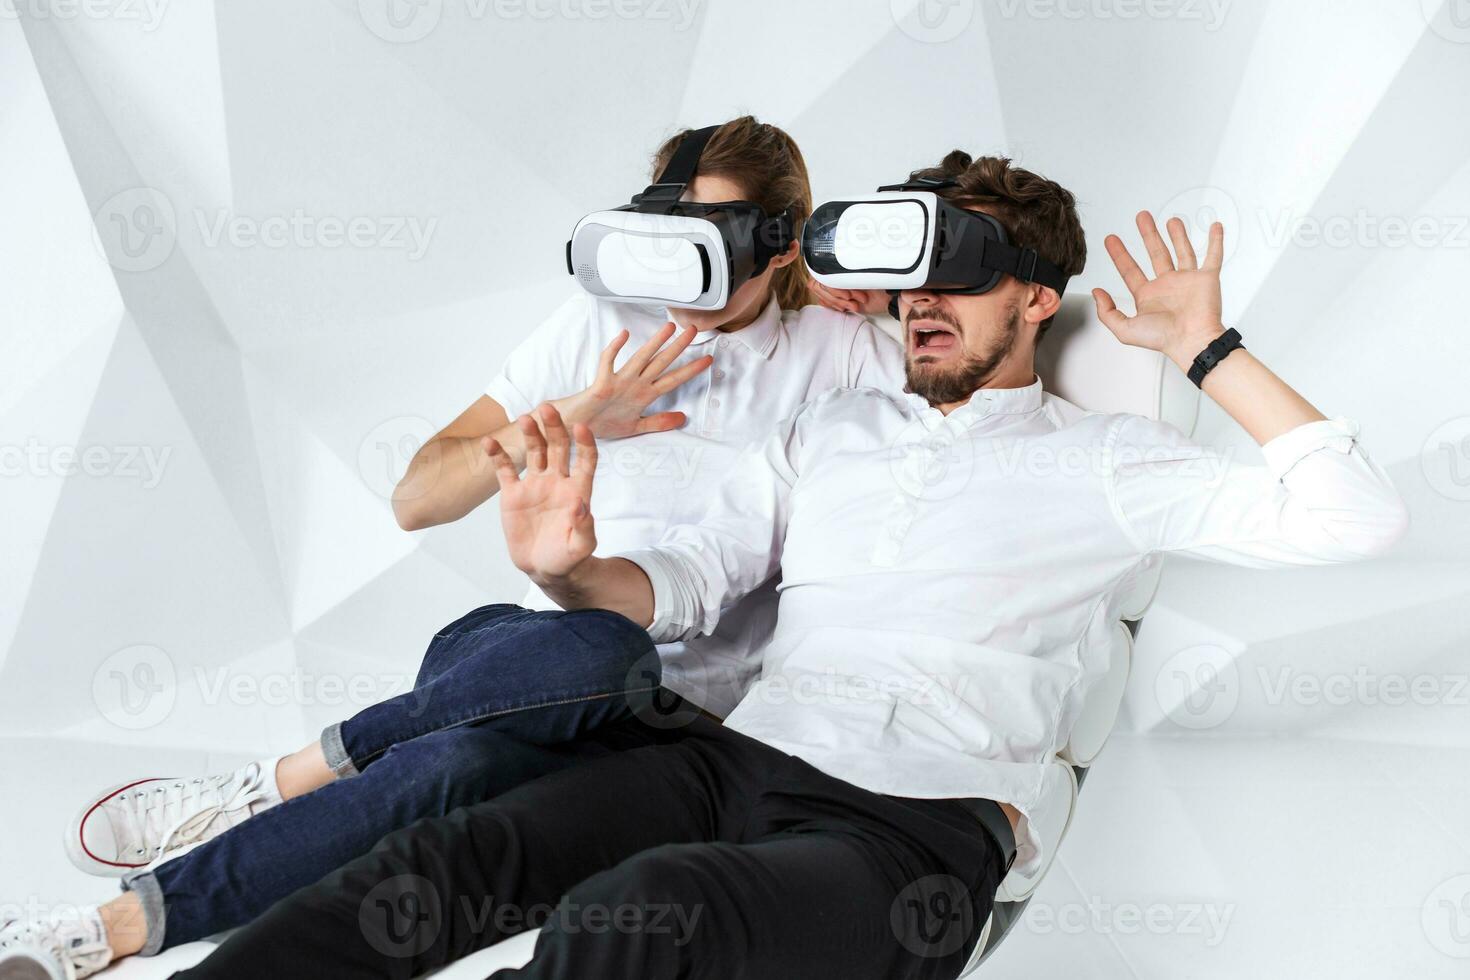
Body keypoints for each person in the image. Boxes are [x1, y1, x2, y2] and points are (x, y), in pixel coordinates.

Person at [157, 152, 1405, 980]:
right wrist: (572, 569)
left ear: (1035, 296)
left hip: (911, 831)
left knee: (636, 919)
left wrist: (1208, 347)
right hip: (733, 757)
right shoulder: (838, 429)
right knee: (450, 858)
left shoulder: (1111, 459)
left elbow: (1353, 516)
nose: (921, 300)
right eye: (906, 275)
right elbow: (693, 574)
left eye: (957, 275)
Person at [0, 117, 902, 978]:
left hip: (677, 729)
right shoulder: (600, 324)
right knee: (601, 644)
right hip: (523, 664)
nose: (679, 280)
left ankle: (112, 926)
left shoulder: (845, 351)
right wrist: (579, 418)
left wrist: (881, 290)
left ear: (777, 242)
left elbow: (975, 376)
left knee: (458, 768)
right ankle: (259, 795)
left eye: (712, 247)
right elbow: (416, 497)